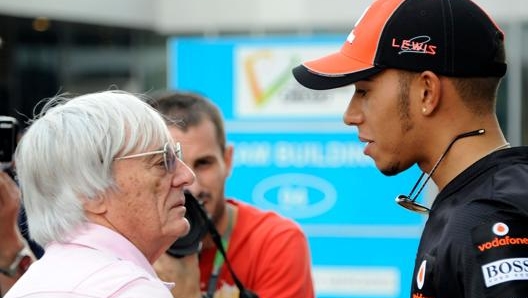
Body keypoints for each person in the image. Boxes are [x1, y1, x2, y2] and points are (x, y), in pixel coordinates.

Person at [292, 0, 528, 297]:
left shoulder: (489, 221)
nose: (350, 116)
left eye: (364, 91)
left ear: (427, 93)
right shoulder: (485, 203)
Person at [4, 90, 196, 297]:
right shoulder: (131, 290)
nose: (187, 176)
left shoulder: (27, 288)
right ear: (91, 193)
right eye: (162, 161)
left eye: (176, 156)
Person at [150, 91, 315, 298]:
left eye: (203, 164)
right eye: (170, 165)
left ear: (227, 161)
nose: (191, 186)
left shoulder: (273, 241)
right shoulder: (132, 246)